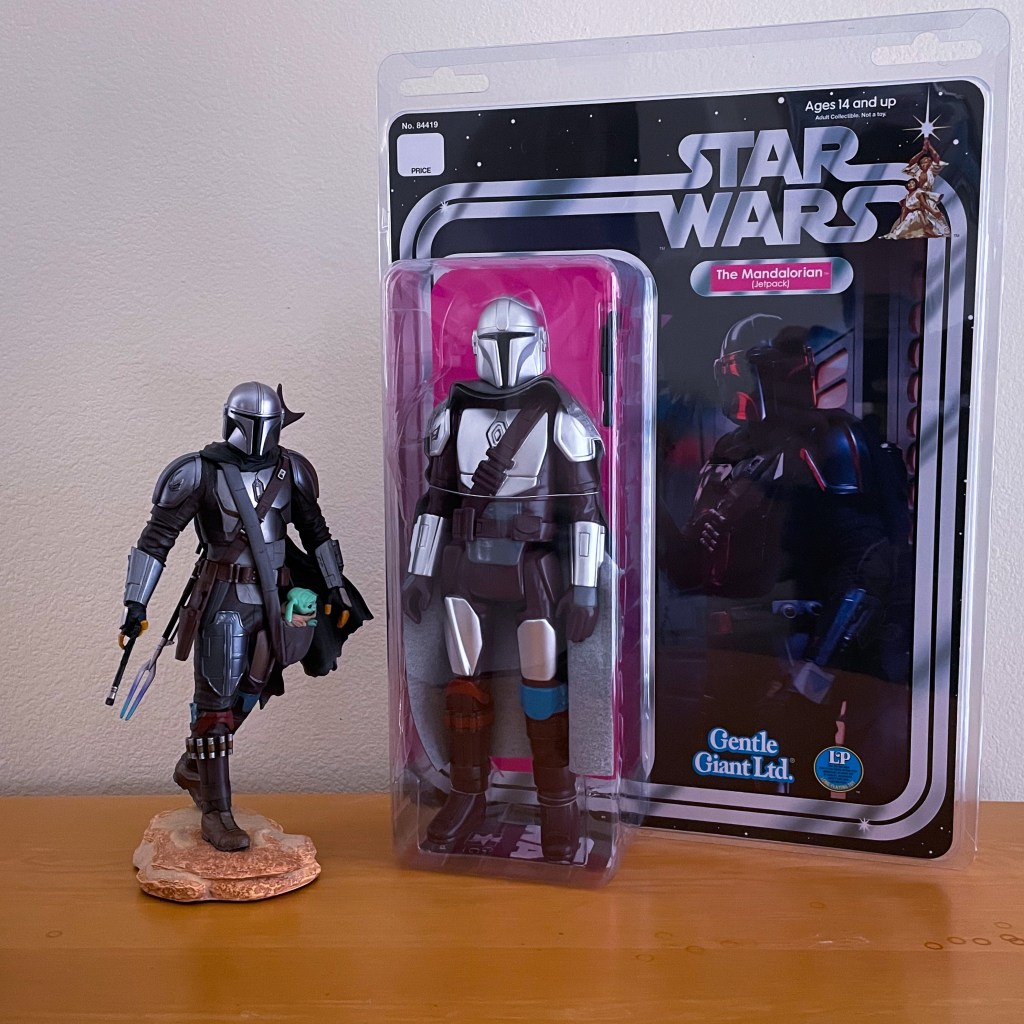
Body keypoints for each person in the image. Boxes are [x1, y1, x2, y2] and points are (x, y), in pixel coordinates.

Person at [662, 315, 911, 798]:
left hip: (794, 649)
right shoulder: (733, 450)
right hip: (729, 650)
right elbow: (691, 567)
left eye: (744, 369)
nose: (732, 383)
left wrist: (817, 672)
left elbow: (866, 562)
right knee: (725, 785)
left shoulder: (828, 440)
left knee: (796, 780)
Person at [120, 382, 369, 851]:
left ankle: (195, 763)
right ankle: (217, 812)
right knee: (215, 700)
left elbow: (316, 531)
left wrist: (335, 586)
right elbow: (157, 538)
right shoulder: (198, 472)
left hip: (281, 601)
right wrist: (136, 603)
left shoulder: (293, 469)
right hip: (225, 600)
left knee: (259, 684)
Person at [402, 297, 605, 861]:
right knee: (464, 684)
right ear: (476, 347)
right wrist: (419, 571)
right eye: (494, 342)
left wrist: (585, 585)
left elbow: (587, 509)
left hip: (534, 566)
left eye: (517, 341)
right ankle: (468, 795)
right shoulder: (454, 414)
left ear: (539, 343)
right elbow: (435, 502)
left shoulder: (560, 415)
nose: (506, 353)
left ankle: (558, 804)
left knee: (543, 687)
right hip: (465, 566)